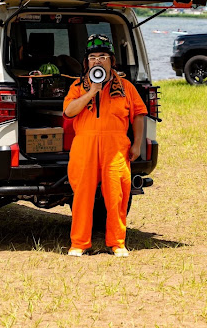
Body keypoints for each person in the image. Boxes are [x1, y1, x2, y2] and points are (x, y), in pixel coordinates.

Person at [63, 34, 148, 257]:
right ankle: (79, 243)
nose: (97, 61)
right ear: (86, 63)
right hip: (85, 148)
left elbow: (139, 115)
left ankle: (117, 242)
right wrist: (91, 92)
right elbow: (69, 111)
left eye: (103, 57)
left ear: (112, 61)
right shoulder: (77, 86)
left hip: (116, 148)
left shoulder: (126, 87)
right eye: (92, 57)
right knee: (82, 196)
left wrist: (137, 144)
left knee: (117, 195)